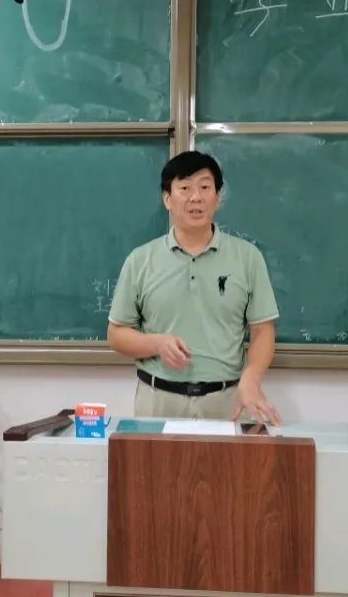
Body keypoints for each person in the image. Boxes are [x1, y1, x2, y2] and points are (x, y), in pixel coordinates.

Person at [107, 150, 282, 425]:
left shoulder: (248, 258)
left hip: (228, 400)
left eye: (205, 187)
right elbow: (116, 334)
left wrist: (252, 378)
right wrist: (157, 343)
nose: (196, 197)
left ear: (218, 197)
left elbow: (263, 331)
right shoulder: (140, 260)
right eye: (185, 188)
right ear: (167, 198)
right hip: (158, 399)